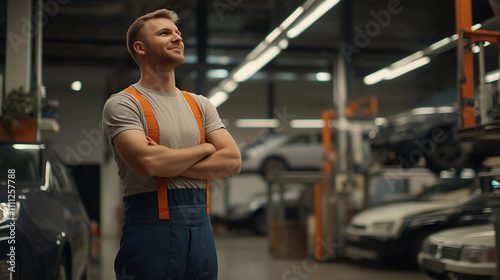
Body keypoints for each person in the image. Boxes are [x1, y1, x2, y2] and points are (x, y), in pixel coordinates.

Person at [101, 9, 241, 280]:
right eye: (165, 33)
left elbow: (232, 162)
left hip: (201, 229)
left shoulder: (200, 104)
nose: (177, 38)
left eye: (178, 33)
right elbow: (147, 162)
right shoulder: (124, 103)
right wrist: (205, 148)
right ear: (139, 48)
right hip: (150, 227)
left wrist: (167, 162)